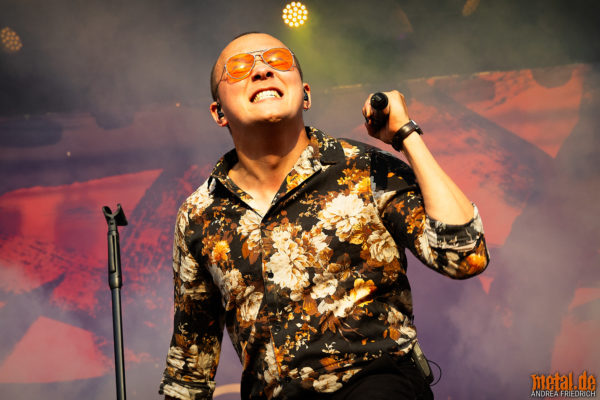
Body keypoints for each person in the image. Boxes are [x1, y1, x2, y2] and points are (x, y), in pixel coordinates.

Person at [159, 32, 489, 400]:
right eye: (239, 66)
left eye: (278, 60)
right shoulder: (200, 214)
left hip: (377, 382)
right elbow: (190, 368)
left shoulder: (366, 168)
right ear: (218, 112)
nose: (262, 70)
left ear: (306, 95)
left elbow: (465, 257)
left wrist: (406, 135)